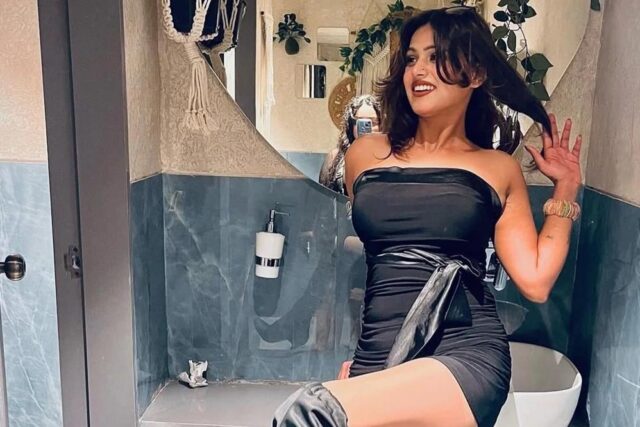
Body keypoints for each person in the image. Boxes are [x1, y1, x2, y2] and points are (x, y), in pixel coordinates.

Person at [273, 6, 582, 427]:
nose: (418, 70)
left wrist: (566, 188)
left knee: (306, 411)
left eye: (436, 57)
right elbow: (383, 266)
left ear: (475, 74)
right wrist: (368, 377)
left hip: (464, 353)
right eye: (412, 58)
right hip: (380, 353)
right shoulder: (364, 155)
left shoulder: (497, 168)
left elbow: (536, 280)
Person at [319, 95, 382, 195]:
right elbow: (323, 195)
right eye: (360, 121)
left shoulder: (389, 159)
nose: (366, 128)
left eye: (373, 122)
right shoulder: (334, 158)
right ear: (351, 125)